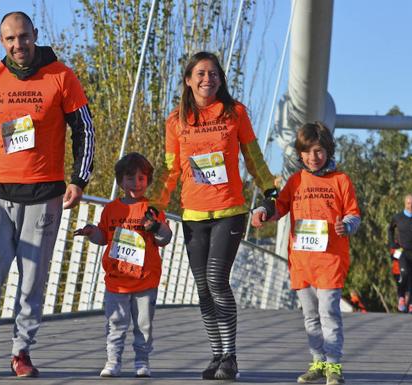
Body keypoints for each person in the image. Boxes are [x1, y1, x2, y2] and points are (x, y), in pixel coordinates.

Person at [0, 11, 95, 377]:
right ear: (3, 42)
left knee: (32, 279)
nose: (18, 45)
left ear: (35, 35)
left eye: (24, 37)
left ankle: (21, 352)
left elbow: (85, 129)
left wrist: (80, 179)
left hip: (44, 194)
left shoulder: (61, 76)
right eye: (10, 39)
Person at [155, 51, 277, 381]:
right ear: (188, 80)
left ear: (221, 79)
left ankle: (231, 356)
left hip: (230, 211)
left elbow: (253, 157)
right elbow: (170, 170)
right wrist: (153, 204)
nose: (208, 79)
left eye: (214, 74)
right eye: (201, 73)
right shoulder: (175, 121)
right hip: (193, 214)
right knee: (203, 288)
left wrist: (270, 191)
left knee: (216, 280)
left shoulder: (235, 113)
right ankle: (216, 355)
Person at [251, 121, 361, 385]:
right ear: (300, 153)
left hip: (330, 261)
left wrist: (345, 226)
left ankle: (334, 366)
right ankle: (318, 362)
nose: (314, 157)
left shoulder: (341, 180)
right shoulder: (296, 180)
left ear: (328, 151)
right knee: (310, 317)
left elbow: (354, 215)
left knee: (329, 314)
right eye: (308, 151)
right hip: (302, 262)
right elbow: (281, 208)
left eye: (320, 151)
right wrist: (264, 213)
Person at [74, 153, 172, 378]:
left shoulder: (152, 209)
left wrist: (155, 228)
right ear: (120, 181)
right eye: (130, 178)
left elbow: (165, 238)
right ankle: (113, 361)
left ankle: (142, 361)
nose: (136, 183)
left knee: (143, 325)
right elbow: (103, 237)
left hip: (145, 279)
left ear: (147, 181)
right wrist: (91, 232)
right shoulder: (111, 209)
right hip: (117, 280)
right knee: (115, 322)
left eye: (141, 178)